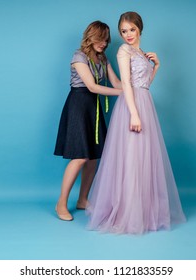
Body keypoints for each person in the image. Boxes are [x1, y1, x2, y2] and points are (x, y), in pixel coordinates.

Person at [87, 12, 186, 234]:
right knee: (132, 157)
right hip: (132, 106)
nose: (128, 35)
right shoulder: (123, 51)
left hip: (145, 103)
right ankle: (128, 214)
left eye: (131, 29)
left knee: (144, 157)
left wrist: (157, 66)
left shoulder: (140, 52)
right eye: (123, 31)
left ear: (139, 28)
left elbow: (144, 84)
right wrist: (133, 113)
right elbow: (127, 85)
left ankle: (143, 211)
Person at [54, 21, 122, 221]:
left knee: (93, 156)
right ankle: (61, 204)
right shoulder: (78, 56)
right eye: (101, 38)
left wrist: (135, 90)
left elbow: (117, 82)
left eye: (107, 39)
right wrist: (122, 93)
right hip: (78, 105)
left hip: (95, 107)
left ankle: (83, 200)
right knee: (80, 157)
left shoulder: (103, 58)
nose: (104, 43)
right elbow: (92, 87)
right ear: (91, 36)